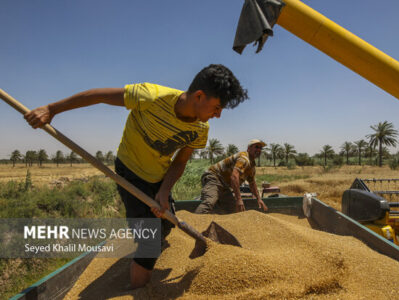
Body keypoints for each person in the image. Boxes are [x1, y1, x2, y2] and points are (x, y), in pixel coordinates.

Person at [24, 64, 248, 289]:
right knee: (150, 241)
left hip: (159, 175)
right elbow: (99, 96)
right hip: (130, 172)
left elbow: (180, 161)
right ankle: (138, 291)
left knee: (166, 224)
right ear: (199, 96)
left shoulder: (201, 129)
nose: (218, 115)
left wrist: (164, 191)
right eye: (217, 107)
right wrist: (52, 109)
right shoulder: (151, 96)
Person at [195, 139, 268, 214]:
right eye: (256, 147)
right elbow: (234, 177)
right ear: (249, 148)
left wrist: (259, 199)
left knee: (232, 208)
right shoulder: (244, 158)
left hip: (224, 185)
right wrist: (239, 199)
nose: (259, 150)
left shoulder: (252, 166)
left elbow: (252, 183)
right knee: (210, 201)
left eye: (260, 148)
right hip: (214, 177)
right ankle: (195, 222)